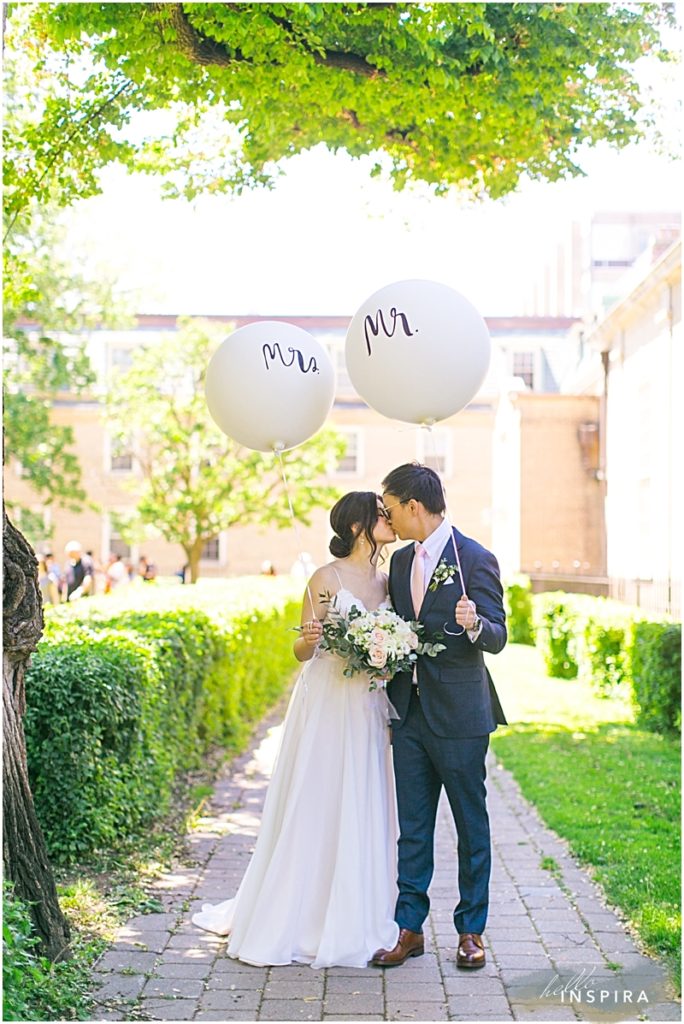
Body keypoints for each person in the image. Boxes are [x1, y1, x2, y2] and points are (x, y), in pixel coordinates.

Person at [192, 492, 400, 968]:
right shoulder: (324, 577)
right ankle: (300, 913)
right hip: (327, 698)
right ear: (356, 527)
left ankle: (356, 907)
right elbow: (303, 653)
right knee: (320, 792)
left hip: (366, 702)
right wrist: (309, 640)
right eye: (378, 514)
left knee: (362, 794)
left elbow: (388, 642)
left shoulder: (386, 580)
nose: (386, 520)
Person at [372, 463, 507, 971]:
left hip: (461, 717)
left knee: (471, 827)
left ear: (413, 506)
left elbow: (498, 635)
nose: (387, 517)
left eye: (390, 508)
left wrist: (476, 626)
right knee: (413, 828)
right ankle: (409, 928)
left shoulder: (476, 558)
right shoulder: (402, 560)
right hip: (409, 715)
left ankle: (471, 931)